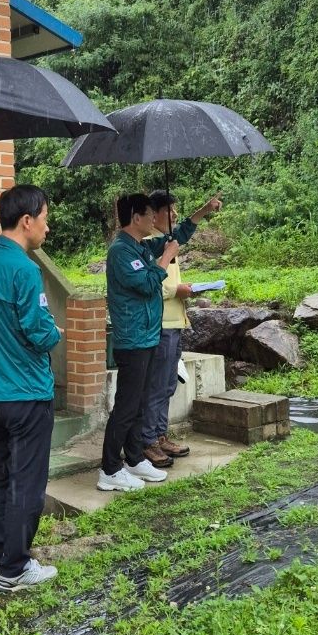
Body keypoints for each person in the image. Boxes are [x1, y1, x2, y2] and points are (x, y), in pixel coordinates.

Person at [0, 185, 63, 592]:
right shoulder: (23, 269)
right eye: (44, 218)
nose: (47, 226)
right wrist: (54, 332)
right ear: (26, 221)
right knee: (27, 482)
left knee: (1, 473)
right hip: (25, 392)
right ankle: (15, 568)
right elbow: (38, 331)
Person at [98, 192, 216, 492]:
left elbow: (178, 236)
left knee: (139, 403)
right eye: (150, 214)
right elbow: (149, 283)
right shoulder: (121, 252)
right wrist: (165, 257)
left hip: (148, 336)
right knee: (126, 406)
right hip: (133, 339)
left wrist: (201, 211)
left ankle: (135, 458)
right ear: (135, 218)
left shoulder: (141, 247)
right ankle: (110, 469)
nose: (155, 219)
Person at [140, 190, 222, 468]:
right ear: (154, 215)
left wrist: (205, 209)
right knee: (156, 385)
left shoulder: (167, 242)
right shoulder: (148, 246)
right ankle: (148, 441)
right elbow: (153, 286)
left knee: (167, 385)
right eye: (170, 210)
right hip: (159, 325)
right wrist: (180, 290)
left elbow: (184, 231)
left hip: (175, 324)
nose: (175, 215)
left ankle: (160, 435)